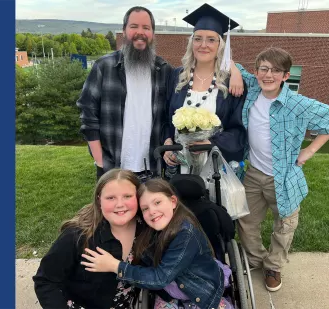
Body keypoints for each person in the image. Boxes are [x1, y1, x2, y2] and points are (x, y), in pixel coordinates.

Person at [231, 47, 329, 292]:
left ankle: (273, 266)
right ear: (256, 71)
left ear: (286, 75)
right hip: (253, 173)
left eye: (275, 70)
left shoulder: (298, 104)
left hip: (284, 177)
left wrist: (309, 151)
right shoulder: (252, 88)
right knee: (246, 220)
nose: (268, 75)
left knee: (284, 224)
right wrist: (232, 70)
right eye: (264, 69)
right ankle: (256, 259)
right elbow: (232, 65)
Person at [81, 178, 233, 309]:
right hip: (170, 291)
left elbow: (159, 279)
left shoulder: (185, 234)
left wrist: (115, 266)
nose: (152, 211)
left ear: (173, 202)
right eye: (145, 208)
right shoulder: (152, 229)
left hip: (200, 291)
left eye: (157, 202)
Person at [76, 6, 173, 181]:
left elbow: (169, 115)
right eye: (134, 26)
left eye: (146, 27)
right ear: (124, 30)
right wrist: (100, 161)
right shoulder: (104, 67)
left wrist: (236, 70)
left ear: (152, 33)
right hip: (113, 169)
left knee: (151, 210)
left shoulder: (163, 70)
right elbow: (88, 116)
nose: (140, 32)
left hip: (152, 169)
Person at [33, 169, 145, 309]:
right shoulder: (77, 235)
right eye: (111, 198)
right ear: (99, 200)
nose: (120, 204)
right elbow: (45, 281)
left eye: (127, 196)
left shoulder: (146, 230)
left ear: (138, 197)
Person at [162, 3, 247, 171]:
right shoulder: (177, 76)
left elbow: (238, 130)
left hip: (214, 168)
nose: (203, 45)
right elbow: (165, 117)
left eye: (211, 39)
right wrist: (167, 142)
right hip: (179, 165)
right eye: (198, 38)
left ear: (220, 45)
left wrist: (210, 143)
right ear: (191, 42)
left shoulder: (231, 82)